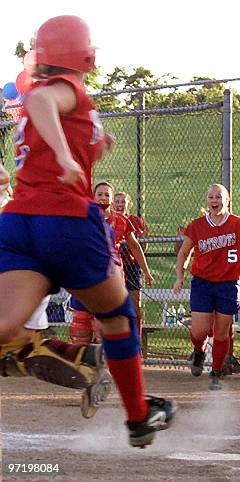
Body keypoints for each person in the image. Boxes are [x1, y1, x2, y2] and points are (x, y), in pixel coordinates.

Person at [0, 15, 176, 448]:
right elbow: (44, 102)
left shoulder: (63, 102)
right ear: (85, 54)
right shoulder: (67, 89)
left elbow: (46, 113)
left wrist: (96, 139)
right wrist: (65, 156)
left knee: (4, 327)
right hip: (67, 224)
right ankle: (139, 418)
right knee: (118, 319)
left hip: (19, 224)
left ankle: (28, 347)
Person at [0, 186, 112, 419]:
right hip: (24, 274)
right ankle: (90, 357)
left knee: (18, 353)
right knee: (19, 353)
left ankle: (90, 364)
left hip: (18, 275)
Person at [174, 183, 240, 390]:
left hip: (229, 284)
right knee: (200, 331)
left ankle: (217, 372)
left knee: (221, 332)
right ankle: (199, 352)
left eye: (219, 197)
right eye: (211, 197)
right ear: (206, 201)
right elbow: (184, 253)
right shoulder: (197, 225)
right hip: (203, 283)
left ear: (227, 200)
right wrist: (179, 277)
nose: (214, 201)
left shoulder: (238, 224)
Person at [70, 181, 155, 344]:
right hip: (85, 276)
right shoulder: (83, 218)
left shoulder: (121, 221)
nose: (103, 198)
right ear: (93, 197)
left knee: (105, 326)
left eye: (107, 195)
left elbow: (135, 247)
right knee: (81, 326)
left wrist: (146, 271)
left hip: (110, 277)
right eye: (99, 194)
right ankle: (82, 364)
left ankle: (106, 365)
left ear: (111, 198)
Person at [112, 191, 149, 334]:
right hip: (114, 266)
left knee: (135, 306)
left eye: (123, 202)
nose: (120, 205)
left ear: (129, 204)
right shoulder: (110, 220)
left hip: (132, 267)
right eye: (117, 202)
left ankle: (135, 340)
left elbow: (141, 247)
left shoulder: (135, 221)